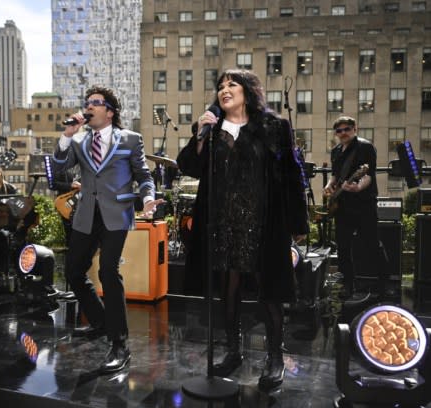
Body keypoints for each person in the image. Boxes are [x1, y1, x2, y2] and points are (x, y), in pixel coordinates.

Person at [176, 69, 308, 390]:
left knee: (269, 292)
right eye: (220, 86)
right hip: (224, 223)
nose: (224, 89)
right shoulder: (210, 129)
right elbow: (188, 166)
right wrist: (200, 135)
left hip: (263, 223)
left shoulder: (274, 127)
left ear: (248, 91)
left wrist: (297, 222)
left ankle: (274, 357)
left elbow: (292, 175)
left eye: (231, 84)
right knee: (229, 290)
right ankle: (233, 351)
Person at [52, 86, 163, 374]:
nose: (88, 107)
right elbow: (59, 167)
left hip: (117, 214)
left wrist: (148, 198)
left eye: (95, 103)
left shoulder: (130, 139)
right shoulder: (79, 140)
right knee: (75, 271)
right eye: (87, 103)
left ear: (110, 111)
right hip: (86, 215)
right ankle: (101, 322)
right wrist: (67, 135)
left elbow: (143, 175)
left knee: (108, 272)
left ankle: (119, 343)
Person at [324, 116, 386, 299]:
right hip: (342, 206)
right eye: (339, 130)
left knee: (372, 244)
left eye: (346, 129)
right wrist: (329, 185)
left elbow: (368, 175)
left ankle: (384, 282)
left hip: (363, 204)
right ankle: (348, 285)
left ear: (354, 129)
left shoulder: (365, 147)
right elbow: (335, 175)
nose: (343, 133)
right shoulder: (336, 151)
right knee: (343, 247)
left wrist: (358, 187)